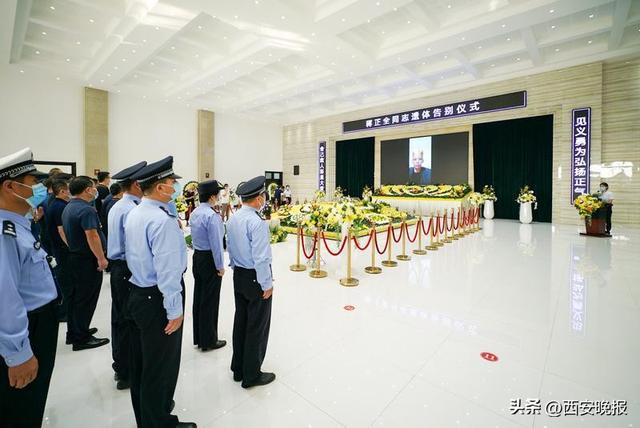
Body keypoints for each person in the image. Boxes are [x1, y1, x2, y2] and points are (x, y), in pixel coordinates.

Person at [125, 156, 196, 428]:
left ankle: (147, 417)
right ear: (159, 188)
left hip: (139, 293)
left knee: (143, 363)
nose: (175, 188)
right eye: (171, 184)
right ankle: (159, 422)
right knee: (160, 366)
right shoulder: (161, 220)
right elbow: (167, 271)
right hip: (158, 298)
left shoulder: (136, 212)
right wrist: (174, 310)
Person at [0, 148, 59, 428]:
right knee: (22, 407)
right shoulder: (4, 233)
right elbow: (4, 297)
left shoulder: (18, 224)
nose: (39, 187)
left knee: (32, 402)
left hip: (38, 322)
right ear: (10, 186)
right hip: (29, 326)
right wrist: (18, 353)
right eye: (32, 180)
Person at [226, 176, 275, 388]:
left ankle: (238, 367)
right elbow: (261, 257)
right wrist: (267, 284)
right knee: (257, 326)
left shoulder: (234, 218)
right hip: (256, 278)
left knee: (241, 321)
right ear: (257, 198)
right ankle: (252, 374)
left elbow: (230, 247)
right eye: (263, 195)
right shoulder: (256, 222)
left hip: (239, 275)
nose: (264, 199)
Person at [106, 161, 147, 391]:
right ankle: (128, 371)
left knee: (119, 318)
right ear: (135, 184)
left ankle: (121, 365)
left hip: (118, 267)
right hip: (127, 267)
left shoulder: (118, 206)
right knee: (129, 321)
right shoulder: (132, 209)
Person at [61, 176, 110, 351]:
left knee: (77, 298)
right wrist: (101, 258)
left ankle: (74, 332)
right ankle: (81, 338)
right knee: (86, 299)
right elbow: (92, 235)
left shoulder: (69, 207)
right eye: (93, 187)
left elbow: (64, 233)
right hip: (87, 260)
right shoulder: (86, 210)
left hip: (75, 257)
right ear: (88, 190)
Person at [190, 179, 226, 352]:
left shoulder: (195, 212)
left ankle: (199, 336)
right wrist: (220, 266)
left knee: (199, 297)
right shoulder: (212, 216)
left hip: (198, 257)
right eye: (217, 194)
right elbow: (217, 245)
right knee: (210, 300)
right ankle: (209, 340)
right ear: (212, 197)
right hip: (210, 259)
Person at [45, 179, 72, 322]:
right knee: (67, 282)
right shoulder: (60, 206)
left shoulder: (53, 203)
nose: (69, 192)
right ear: (62, 191)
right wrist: (70, 246)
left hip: (57, 247)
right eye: (67, 189)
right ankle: (65, 313)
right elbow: (61, 230)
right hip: (62, 249)